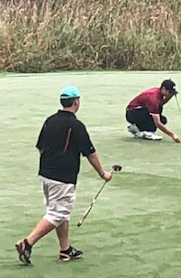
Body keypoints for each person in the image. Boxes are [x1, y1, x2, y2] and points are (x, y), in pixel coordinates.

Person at [15, 86, 113, 266]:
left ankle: (65, 249)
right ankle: (27, 243)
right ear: (76, 102)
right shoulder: (76, 125)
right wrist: (102, 173)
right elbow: (90, 153)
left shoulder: (49, 121)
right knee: (57, 213)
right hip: (63, 177)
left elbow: (40, 147)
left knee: (61, 214)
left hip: (45, 174)